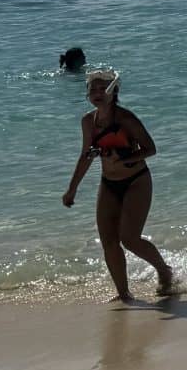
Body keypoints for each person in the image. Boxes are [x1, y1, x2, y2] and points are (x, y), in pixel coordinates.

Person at [62, 69, 175, 304]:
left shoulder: (125, 119)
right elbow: (86, 156)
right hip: (109, 184)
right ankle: (124, 294)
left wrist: (125, 159)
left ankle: (164, 270)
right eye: (92, 89)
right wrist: (72, 188)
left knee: (129, 238)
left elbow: (151, 149)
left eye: (103, 88)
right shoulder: (88, 122)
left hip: (136, 181)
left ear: (114, 92)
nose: (97, 93)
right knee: (109, 242)